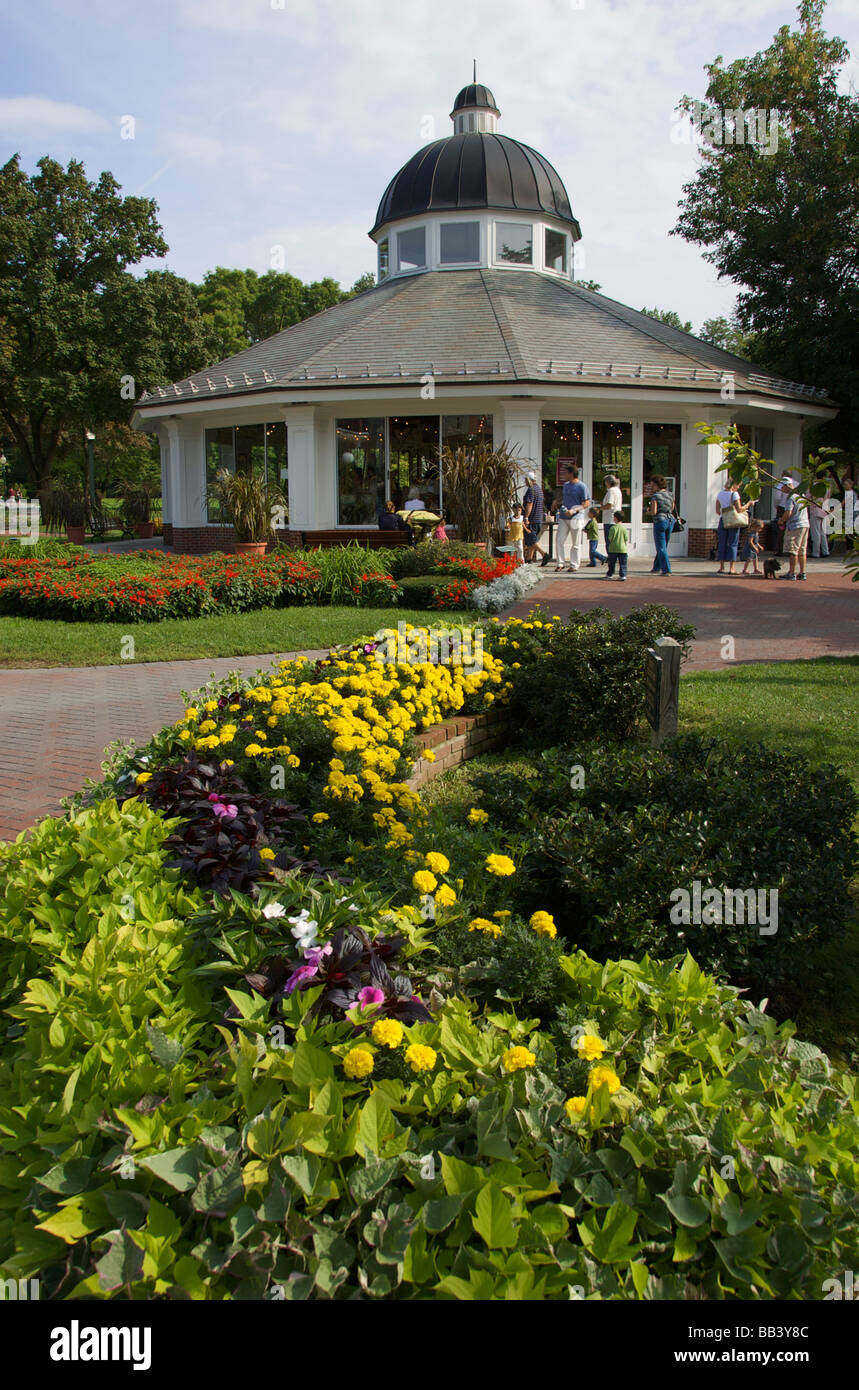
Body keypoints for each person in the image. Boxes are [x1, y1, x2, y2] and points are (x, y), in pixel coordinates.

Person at [553, 463, 590, 572]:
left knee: (575, 543)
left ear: (571, 473)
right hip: (564, 517)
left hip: (576, 518)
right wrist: (557, 501)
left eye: (566, 473)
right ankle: (560, 563)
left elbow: (586, 503)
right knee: (559, 539)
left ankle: (574, 565)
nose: (564, 474)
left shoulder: (582, 486)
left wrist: (574, 510)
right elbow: (565, 499)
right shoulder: (565, 485)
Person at [646, 474, 675, 574]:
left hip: (660, 521)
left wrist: (647, 511)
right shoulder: (670, 494)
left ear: (656, 485)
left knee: (661, 546)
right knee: (664, 545)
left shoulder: (655, 496)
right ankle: (656, 567)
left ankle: (667, 569)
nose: (651, 487)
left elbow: (654, 512)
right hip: (670, 520)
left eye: (652, 485)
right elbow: (672, 508)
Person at [715, 477, 745, 575]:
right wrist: (748, 504)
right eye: (738, 485)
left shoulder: (720, 494)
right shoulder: (734, 494)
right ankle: (732, 568)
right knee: (733, 543)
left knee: (722, 542)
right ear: (734, 485)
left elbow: (717, 510)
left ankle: (721, 566)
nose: (739, 487)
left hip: (723, 519)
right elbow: (739, 509)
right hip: (733, 521)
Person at [779, 489, 810, 580]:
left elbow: (788, 513)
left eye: (782, 487)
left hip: (795, 525)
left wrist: (781, 520)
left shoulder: (791, 498)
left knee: (793, 550)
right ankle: (802, 572)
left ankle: (792, 573)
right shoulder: (802, 495)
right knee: (802, 550)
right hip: (805, 524)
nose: (781, 489)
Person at [522, 471, 547, 565]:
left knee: (532, 539)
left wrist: (526, 517)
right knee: (531, 541)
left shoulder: (531, 490)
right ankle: (529, 559)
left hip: (532, 519)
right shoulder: (539, 490)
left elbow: (529, 504)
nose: (525, 482)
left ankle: (544, 554)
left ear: (529, 480)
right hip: (538, 518)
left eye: (526, 480)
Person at [600, 474, 622, 554]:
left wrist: (601, 507)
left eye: (605, 482)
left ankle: (611, 557)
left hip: (610, 519)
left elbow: (610, 504)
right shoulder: (617, 490)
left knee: (609, 540)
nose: (605, 484)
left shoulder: (611, 491)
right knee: (615, 540)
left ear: (608, 482)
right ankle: (615, 556)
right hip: (615, 519)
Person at [772, 474, 793, 555]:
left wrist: (777, 506)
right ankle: (788, 549)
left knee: (781, 529)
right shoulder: (795, 484)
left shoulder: (781, 485)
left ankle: (780, 549)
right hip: (792, 509)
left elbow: (777, 498)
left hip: (782, 508)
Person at [605, 510, 629, 581]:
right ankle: (623, 575)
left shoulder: (612, 528)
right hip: (622, 549)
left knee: (612, 563)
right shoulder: (624, 528)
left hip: (613, 548)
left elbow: (610, 538)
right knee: (623, 563)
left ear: (615, 518)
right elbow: (626, 538)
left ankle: (610, 574)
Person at [807, 487, 830, 558]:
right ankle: (825, 551)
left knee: (816, 533)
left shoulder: (812, 487)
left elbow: (807, 498)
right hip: (824, 510)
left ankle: (816, 552)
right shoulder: (827, 487)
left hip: (815, 510)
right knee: (822, 532)